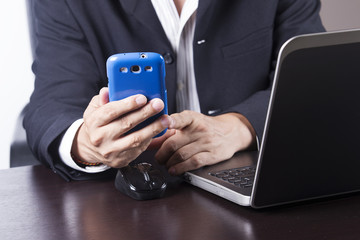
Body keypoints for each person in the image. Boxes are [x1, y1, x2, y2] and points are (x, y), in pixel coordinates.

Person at [24, 0, 325, 181]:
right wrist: (87, 144)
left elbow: (313, 78)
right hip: (125, 201)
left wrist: (239, 126)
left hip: (250, 177)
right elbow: (50, 104)